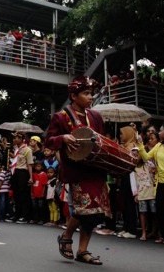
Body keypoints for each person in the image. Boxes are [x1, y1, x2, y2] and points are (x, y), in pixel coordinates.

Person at [45, 76, 110, 265]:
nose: (91, 97)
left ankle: (82, 250)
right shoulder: (61, 116)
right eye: (86, 93)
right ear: (73, 96)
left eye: (91, 93)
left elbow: (101, 141)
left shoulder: (95, 116)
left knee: (96, 212)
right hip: (76, 171)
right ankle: (67, 236)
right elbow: (49, 141)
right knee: (85, 210)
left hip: (96, 169)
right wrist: (63, 138)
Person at [137, 122, 164, 245]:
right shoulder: (158, 146)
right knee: (161, 210)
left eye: (161, 130)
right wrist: (140, 144)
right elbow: (145, 157)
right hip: (161, 183)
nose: (158, 132)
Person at [130, 147, 157, 241]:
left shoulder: (149, 164)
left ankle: (155, 232)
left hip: (152, 192)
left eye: (137, 155)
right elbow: (133, 182)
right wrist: (135, 194)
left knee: (154, 212)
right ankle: (144, 232)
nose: (136, 157)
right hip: (141, 193)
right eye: (134, 155)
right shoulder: (133, 168)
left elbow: (155, 174)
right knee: (142, 213)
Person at [8, 131, 33, 224]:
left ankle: (25, 216)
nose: (15, 139)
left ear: (22, 139)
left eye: (17, 138)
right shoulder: (16, 149)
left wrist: (31, 177)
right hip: (16, 172)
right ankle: (16, 214)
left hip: (23, 172)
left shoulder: (27, 149)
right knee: (16, 194)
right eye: (14, 138)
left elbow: (30, 164)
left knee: (24, 195)